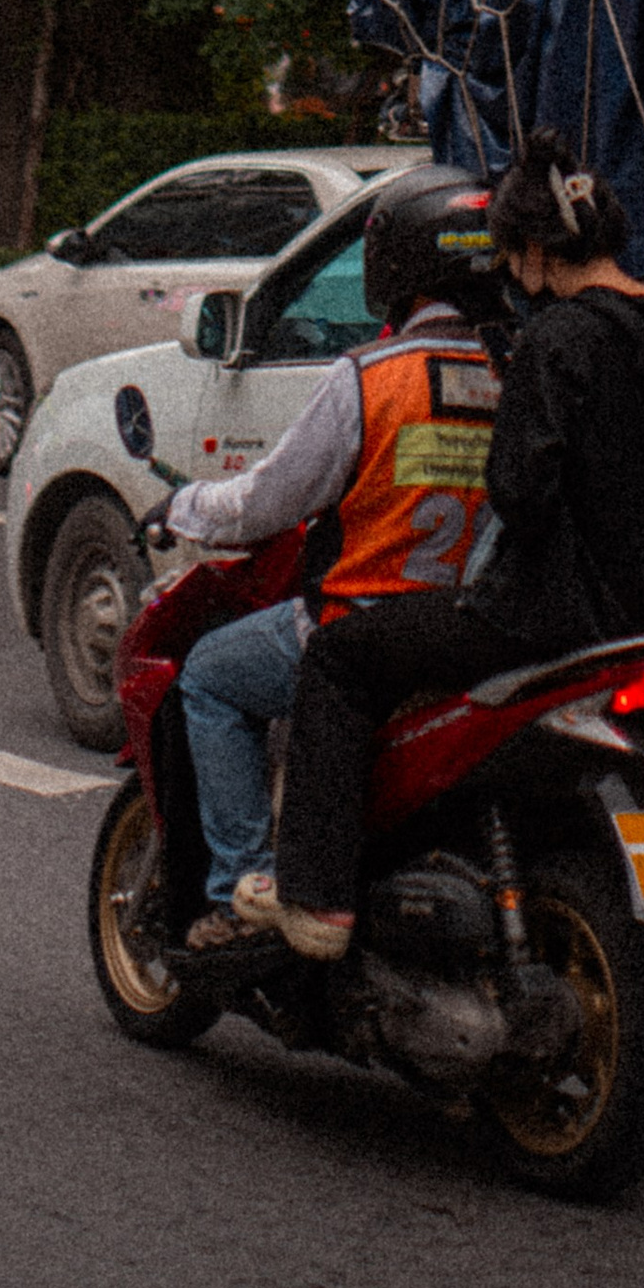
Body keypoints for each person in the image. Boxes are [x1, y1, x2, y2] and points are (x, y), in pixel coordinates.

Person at [248, 129, 644, 960]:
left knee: (341, 657)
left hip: (550, 620)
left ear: (537, 251)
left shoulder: (556, 340)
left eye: (511, 257)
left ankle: (315, 899)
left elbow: (520, 492)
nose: (508, 276)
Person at [160, 164, 503, 956]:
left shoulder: (372, 378)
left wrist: (179, 506)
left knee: (209, 673)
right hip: (472, 635)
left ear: (397, 265)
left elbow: (261, 504)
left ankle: (244, 888)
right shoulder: (517, 374)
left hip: (358, 629)